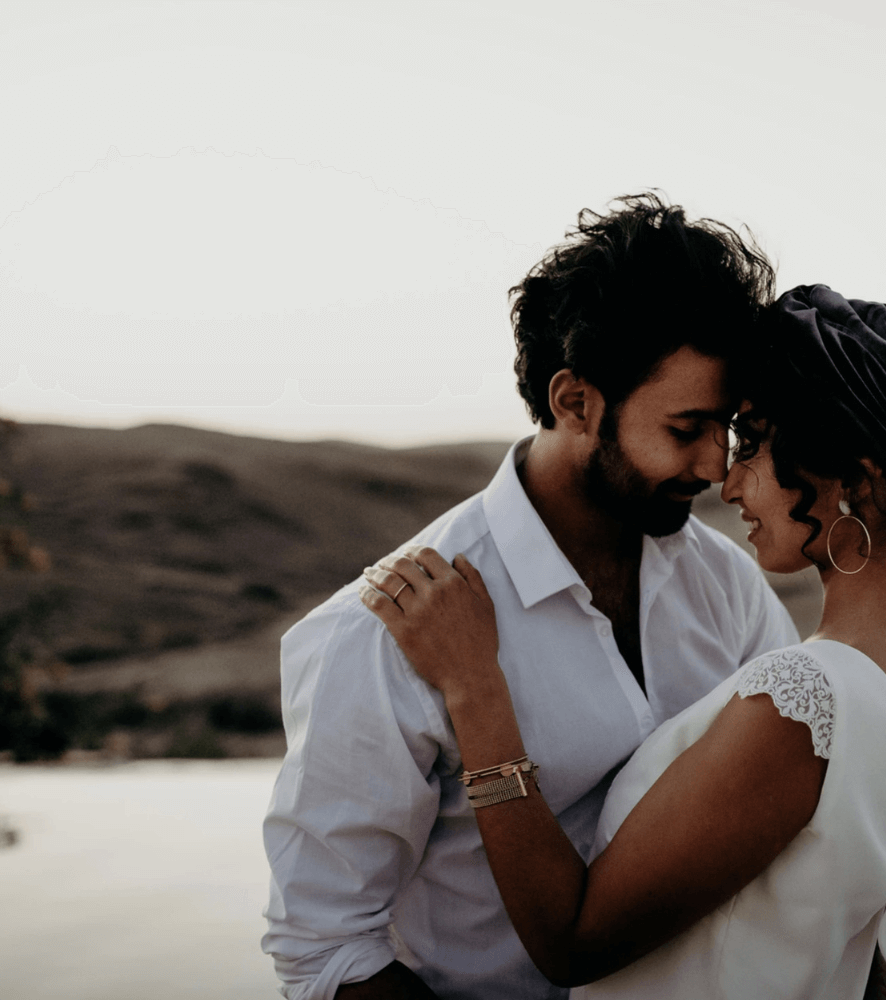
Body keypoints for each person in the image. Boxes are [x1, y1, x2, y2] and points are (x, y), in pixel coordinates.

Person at [361, 284, 886, 998]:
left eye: (757, 444)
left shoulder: (805, 701)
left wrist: (474, 689)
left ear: (854, 480)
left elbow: (571, 941)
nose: (726, 481)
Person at [261, 193, 801, 1000]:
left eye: (727, 429)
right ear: (575, 402)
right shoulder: (382, 632)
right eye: (687, 428)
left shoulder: (724, 585)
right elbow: (326, 948)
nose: (714, 467)